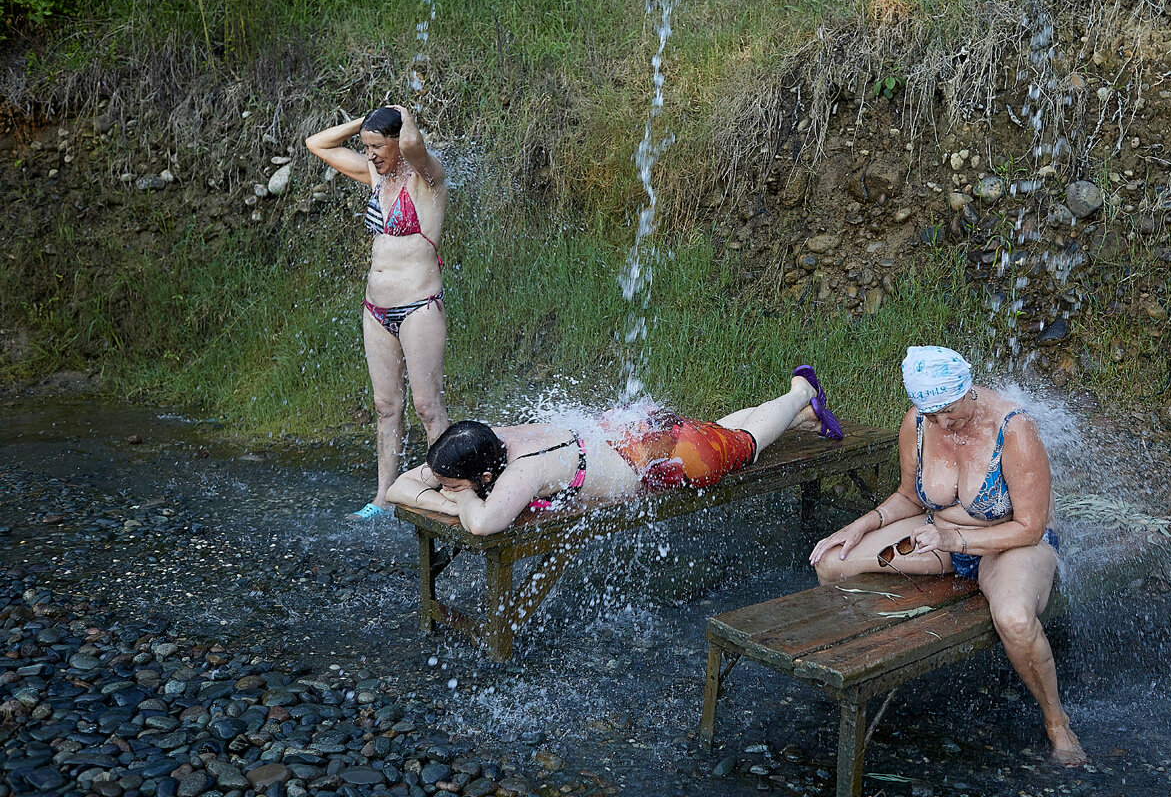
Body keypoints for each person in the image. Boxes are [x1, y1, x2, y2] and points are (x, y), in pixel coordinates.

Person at [808, 346, 1085, 767]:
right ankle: (865, 672)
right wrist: (862, 525)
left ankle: (1056, 723)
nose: (941, 423)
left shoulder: (1014, 428)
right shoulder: (919, 422)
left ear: (967, 388)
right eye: (931, 415)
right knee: (832, 561)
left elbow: (1030, 525)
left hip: (1007, 544)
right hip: (938, 539)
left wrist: (955, 540)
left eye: (948, 412)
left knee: (1013, 618)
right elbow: (907, 496)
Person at [386, 366, 844, 536]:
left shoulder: (522, 471)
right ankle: (800, 416)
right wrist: (441, 490)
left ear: (485, 478)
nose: (444, 488)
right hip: (632, 433)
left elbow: (482, 524)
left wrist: (457, 498)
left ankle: (801, 392)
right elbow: (397, 489)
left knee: (742, 447)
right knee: (718, 432)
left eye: (452, 483)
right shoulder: (486, 440)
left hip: (663, 459)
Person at [305, 105, 450, 519]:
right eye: (365, 148)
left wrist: (403, 116)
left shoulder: (428, 178)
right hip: (375, 310)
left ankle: (447, 488)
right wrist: (367, 121)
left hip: (419, 306)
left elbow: (411, 144)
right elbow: (317, 143)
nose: (369, 155)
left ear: (396, 141)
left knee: (427, 406)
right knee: (386, 406)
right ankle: (383, 497)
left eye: (376, 146)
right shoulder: (375, 175)